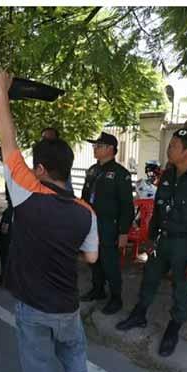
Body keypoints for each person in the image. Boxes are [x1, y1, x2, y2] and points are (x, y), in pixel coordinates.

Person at [0, 68, 99, 372]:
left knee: (37, 361)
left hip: (34, 305)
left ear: (39, 169)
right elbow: (92, 258)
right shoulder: (86, 212)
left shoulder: (26, 192)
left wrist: (1, 92)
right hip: (68, 304)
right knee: (74, 351)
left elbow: (8, 140)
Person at [116, 128, 187, 358]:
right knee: (149, 278)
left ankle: (174, 328)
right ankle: (139, 314)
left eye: (174, 146)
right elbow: (159, 213)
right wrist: (151, 238)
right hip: (163, 241)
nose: (169, 149)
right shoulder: (168, 177)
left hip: (185, 246)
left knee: (181, 289)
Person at [80, 132, 135, 315]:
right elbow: (85, 198)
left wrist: (123, 232)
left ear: (110, 149)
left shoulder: (121, 174)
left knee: (110, 263)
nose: (95, 149)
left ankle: (116, 298)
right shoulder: (92, 170)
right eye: (94, 146)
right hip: (92, 224)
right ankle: (98, 289)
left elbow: (127, 206)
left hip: (110, 226)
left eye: (99, 146)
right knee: (93, 260)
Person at [0, 146, 14, 286]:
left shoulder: (14, 171)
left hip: (15, 212)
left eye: (1, 155)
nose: (0, 158)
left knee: (6, 243)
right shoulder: (11, 170)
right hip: (12, 210)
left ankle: (8, 277)